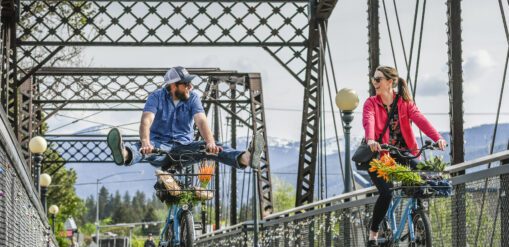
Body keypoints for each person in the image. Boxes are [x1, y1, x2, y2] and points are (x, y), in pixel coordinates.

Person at [107, 66, 264, 170]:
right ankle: (124, 153)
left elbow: (201, 121)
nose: (191, 86)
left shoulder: (193, 98)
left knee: (211, 148)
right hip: (159, 147)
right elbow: (146, 121)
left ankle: (246, 157)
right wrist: (146, 142)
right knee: (141, 147)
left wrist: (210, 142)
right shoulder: (156, 97)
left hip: (184, 147)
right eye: (186, 83)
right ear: (174, 85)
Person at [363, 65, 447, 246]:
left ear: (390, 82)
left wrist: (438, 138)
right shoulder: (371, 103)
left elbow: (421, 120)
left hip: (403, 152)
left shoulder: (404, 103)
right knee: (386, 194)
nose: (374, 82)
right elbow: (368, 120)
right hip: (379, 155)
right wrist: (370, 140)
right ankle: (373, 233)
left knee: (423, 175)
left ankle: (417, 215)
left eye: (378, 79)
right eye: (373, 79)